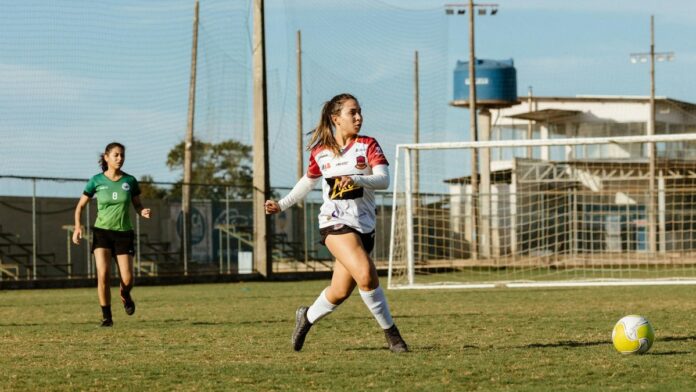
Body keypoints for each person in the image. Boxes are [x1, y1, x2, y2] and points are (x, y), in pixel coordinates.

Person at [265, 93, 408, 353]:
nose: (358, 117)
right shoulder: (321, 152)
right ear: (335, 118)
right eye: (352, 112)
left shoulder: (368, 145)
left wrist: (356, 179)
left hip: (364, 227)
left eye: (359, 112)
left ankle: (305, 318)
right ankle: (393, 337)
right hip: (334, 223)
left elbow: (384, 180)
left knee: (339, 292)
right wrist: (282, 204)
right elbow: (307, 182)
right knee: (366, 274)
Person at [72, 142, 151, 327]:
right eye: (116, 155)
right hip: (102, 233)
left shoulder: (129, 181)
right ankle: (107, 316)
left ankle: (124, 294)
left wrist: (142, 211)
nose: (120, 158)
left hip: (124, 233)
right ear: (106, 157)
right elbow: (80, 206)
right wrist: (78, 227)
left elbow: (137, 205)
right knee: (104, 274)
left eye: (122, 155)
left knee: (128, 279)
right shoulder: (96, 181)